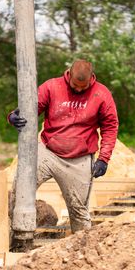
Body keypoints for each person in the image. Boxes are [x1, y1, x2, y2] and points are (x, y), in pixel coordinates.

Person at [8, 59, 118, 233]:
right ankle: (17, 239)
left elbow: (110, 127)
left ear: (91, 78)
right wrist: (14, 116)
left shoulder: (101, 94)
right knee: (20, 190)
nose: (80, 89)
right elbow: (30, 108)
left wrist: (104, 159)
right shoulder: (52, 87)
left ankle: (81, 249)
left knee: (79, 211)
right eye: (76, 85)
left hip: (79, 159)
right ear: (69, 75)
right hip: (48, 152)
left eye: (84, 86)